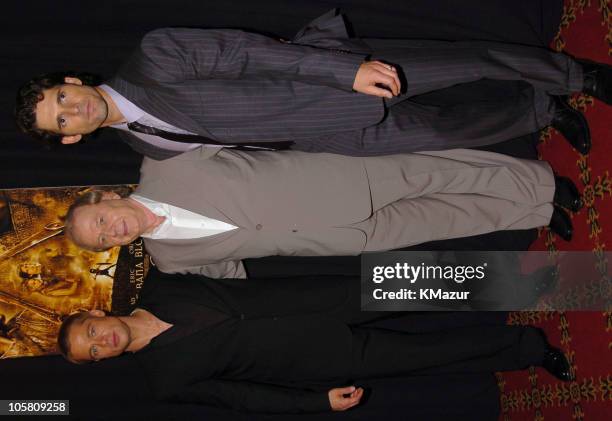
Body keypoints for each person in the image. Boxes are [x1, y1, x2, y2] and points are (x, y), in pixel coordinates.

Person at [15, 10, 611, 159]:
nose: (73, 109)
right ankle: (541, 111)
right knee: (449, 131)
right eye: (61, 119)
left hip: (340, 82)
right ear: (70, 139)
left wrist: (344, 70)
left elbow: (248, 50)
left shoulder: (153, 56)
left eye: (62, 97)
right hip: (328, 139)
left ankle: (579, 76)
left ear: (72, 81)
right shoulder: (141, 146)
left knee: (470, 62)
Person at [57, 271, 573, 413]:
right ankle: (529, 350)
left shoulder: (161, 282)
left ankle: (522, 283)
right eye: (94, 353)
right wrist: (315, 403)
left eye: (90, 333)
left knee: (422, 280)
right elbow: (243, 398)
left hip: (321, 295)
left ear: (95, 313)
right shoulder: (165, 381)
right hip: (320, 361)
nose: (100, 343)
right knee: (435, 352)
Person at [62, 147, 582, 278]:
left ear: (105, 198)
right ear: (115, 248)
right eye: (104, 239)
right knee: (448, 219)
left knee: (445, 173)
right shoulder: (169, 260)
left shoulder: (162, 163)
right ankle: (535, 210)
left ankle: (541, 182)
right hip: (338, 237)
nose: (112, 229)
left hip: (336, 178)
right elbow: (233, 268)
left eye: (101, 219)